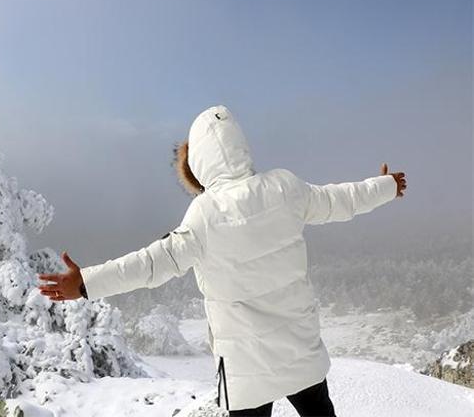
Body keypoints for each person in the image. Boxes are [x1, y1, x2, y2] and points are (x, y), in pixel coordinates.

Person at [37, 104, 407, 417]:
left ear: (198, 162)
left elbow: (151, 264)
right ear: (241, 145)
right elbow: (340, 199)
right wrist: (386, 186)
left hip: (246, 370)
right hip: (301, 351)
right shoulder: (285, 188)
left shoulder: (204, 215)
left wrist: (86, 282)